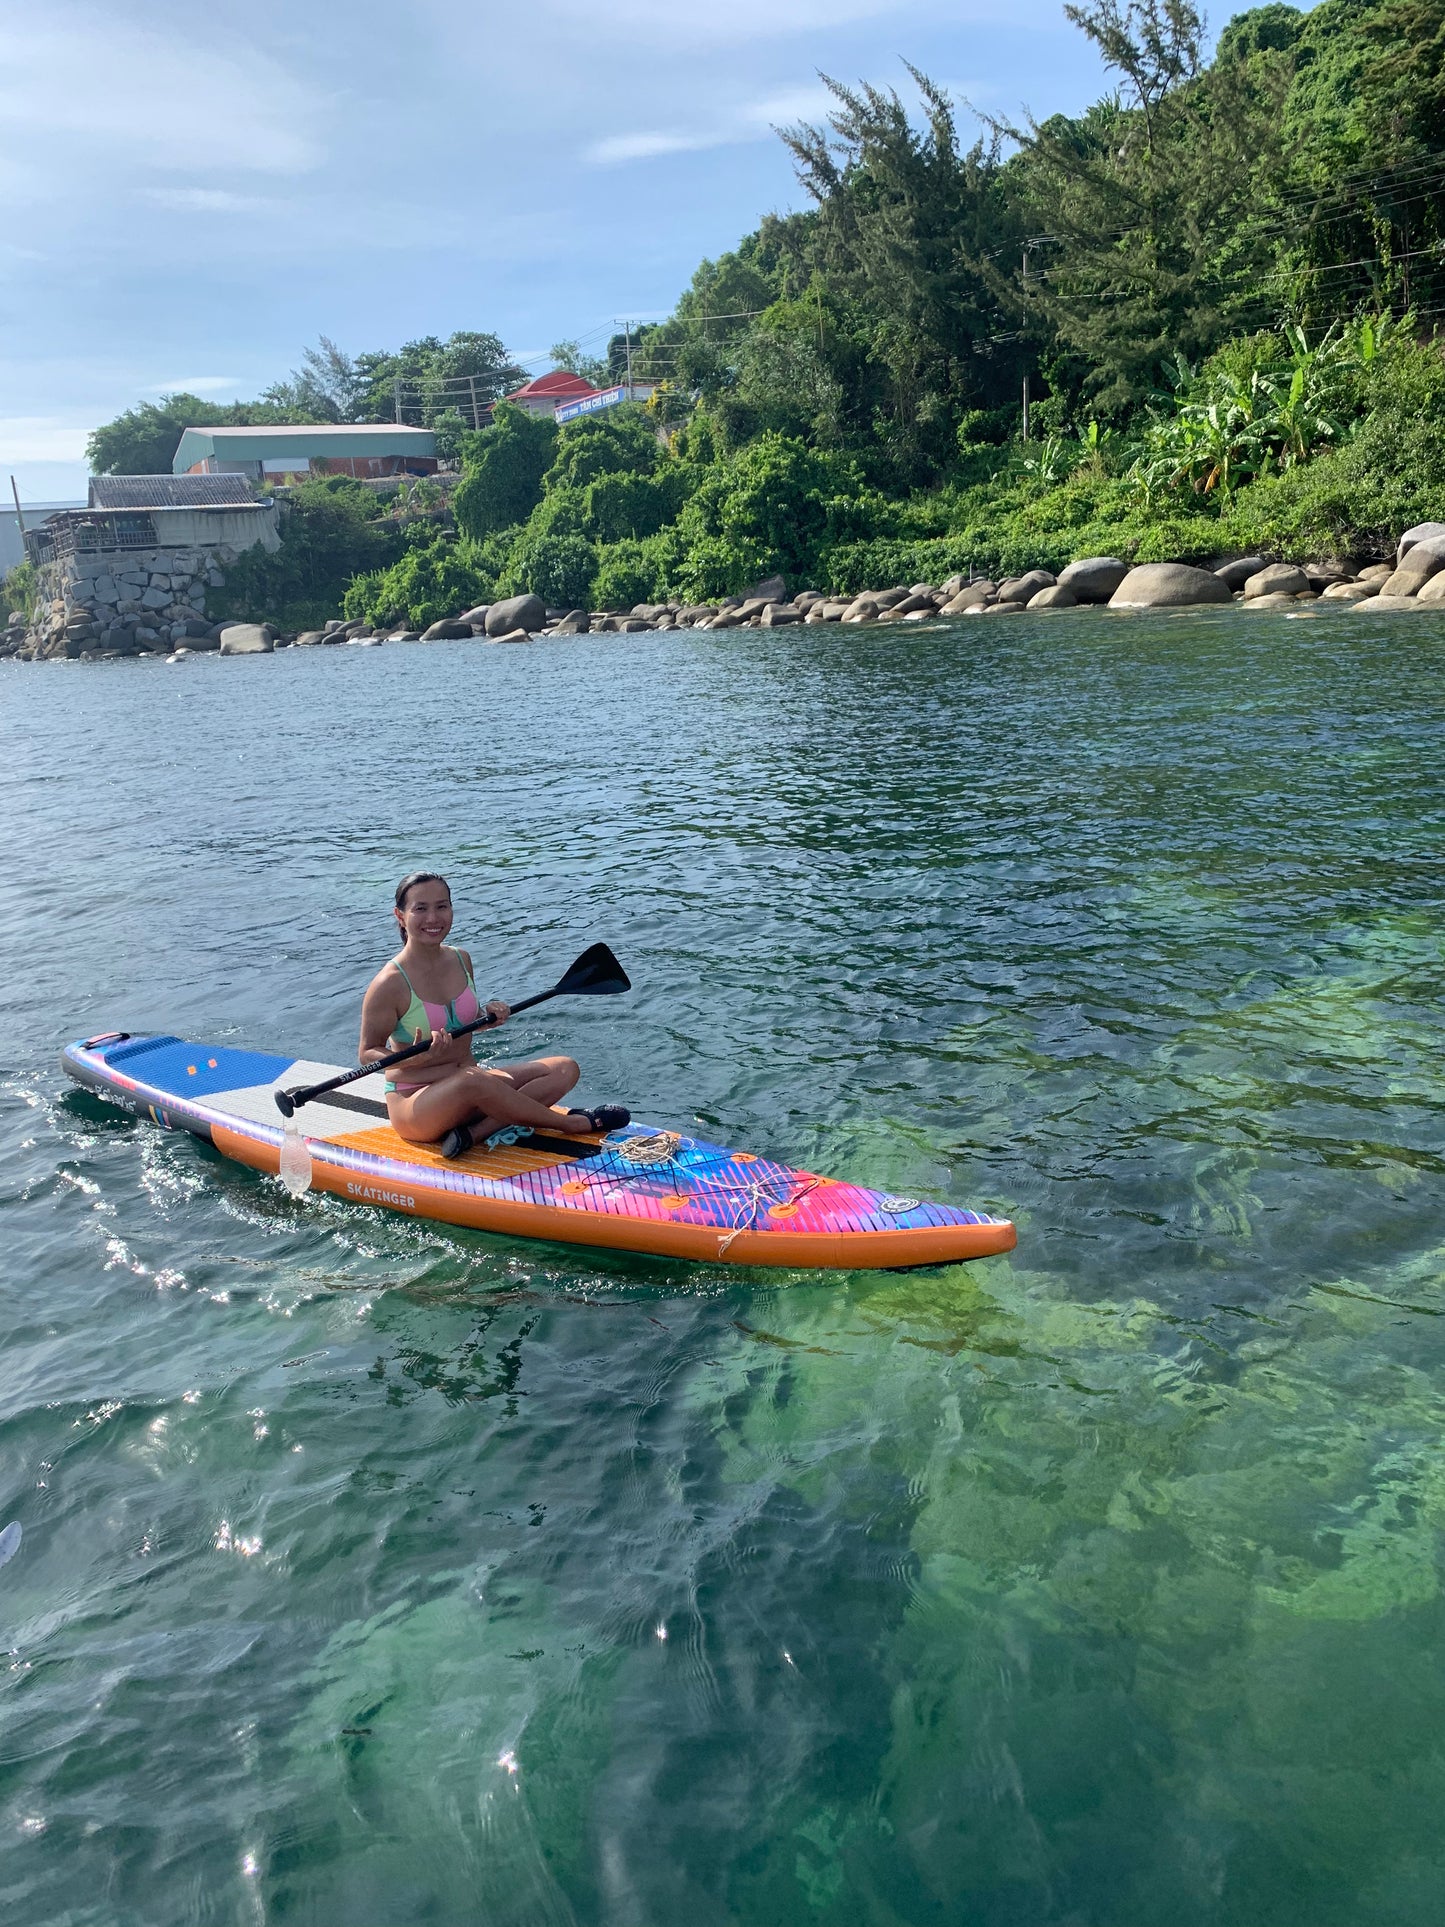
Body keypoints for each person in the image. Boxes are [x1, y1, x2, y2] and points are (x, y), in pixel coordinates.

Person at [360, 871, 629, 1159]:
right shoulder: (389, 983)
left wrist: (487, 1014)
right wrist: (417, 1057)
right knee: (472, 1080)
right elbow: (366, 1054)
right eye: (420, 909)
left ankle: (474, 1134)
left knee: (564, 1068)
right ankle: (571, 1123)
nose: (433, 918)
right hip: (417, 1105)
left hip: (472, 1086)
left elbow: (466, 1020)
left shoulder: (461, 959)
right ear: (400, 916)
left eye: (442, 906)